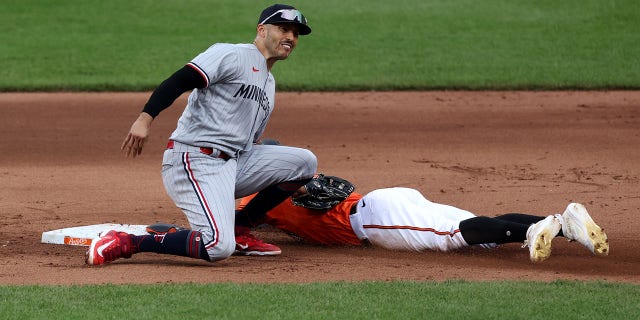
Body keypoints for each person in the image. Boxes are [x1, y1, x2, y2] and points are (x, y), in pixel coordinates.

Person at [86, 4, 318, 265]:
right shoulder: (231, 55)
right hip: (194, 159)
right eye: (284, 29)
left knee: (305, 162)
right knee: (218, 246)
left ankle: (239, 228)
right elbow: (179, 80)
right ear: (262, 30)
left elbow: (250, 144)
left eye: (295, 34)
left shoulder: (269, 84)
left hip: (231, 164)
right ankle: (127, 241)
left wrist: (283, 178)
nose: (290, 37)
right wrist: (145, 119)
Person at [238, 174, 610, 262]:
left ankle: (532, 231)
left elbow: (233, 222)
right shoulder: (290, 181)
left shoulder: (264, 197)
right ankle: (566, 224)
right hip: (387, 199)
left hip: (373, 220)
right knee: (482, 227)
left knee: (452, 234)